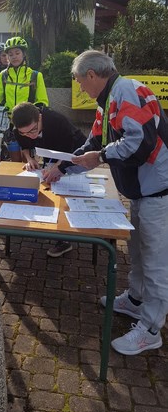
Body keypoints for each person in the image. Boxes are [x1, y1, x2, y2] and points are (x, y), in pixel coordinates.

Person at [56, 49, 168, 356]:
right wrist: (62, 167)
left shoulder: (127, 91)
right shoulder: (108, 101)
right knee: (138, 250)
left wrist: (102, 157)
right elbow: (94, 142)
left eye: (79, 80)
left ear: (92, 75)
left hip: (159, 191)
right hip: (143, 191)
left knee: (157, 262)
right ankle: (135, 301)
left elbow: (140, 142)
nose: (79, 87)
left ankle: (150, 329)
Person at [12, 101, 86, 257]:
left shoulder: (57, 121)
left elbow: (70, 151)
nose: (30, 135)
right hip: (50, 154)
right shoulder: (23, 128)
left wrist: (58, 168)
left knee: (65, 193)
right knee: (48, 187)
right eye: (24, 133)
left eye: (33, 130)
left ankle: (64, 238)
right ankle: (51, 226)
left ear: (39, 118)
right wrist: (29, 159)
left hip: (74, 154)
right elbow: (24, 145)